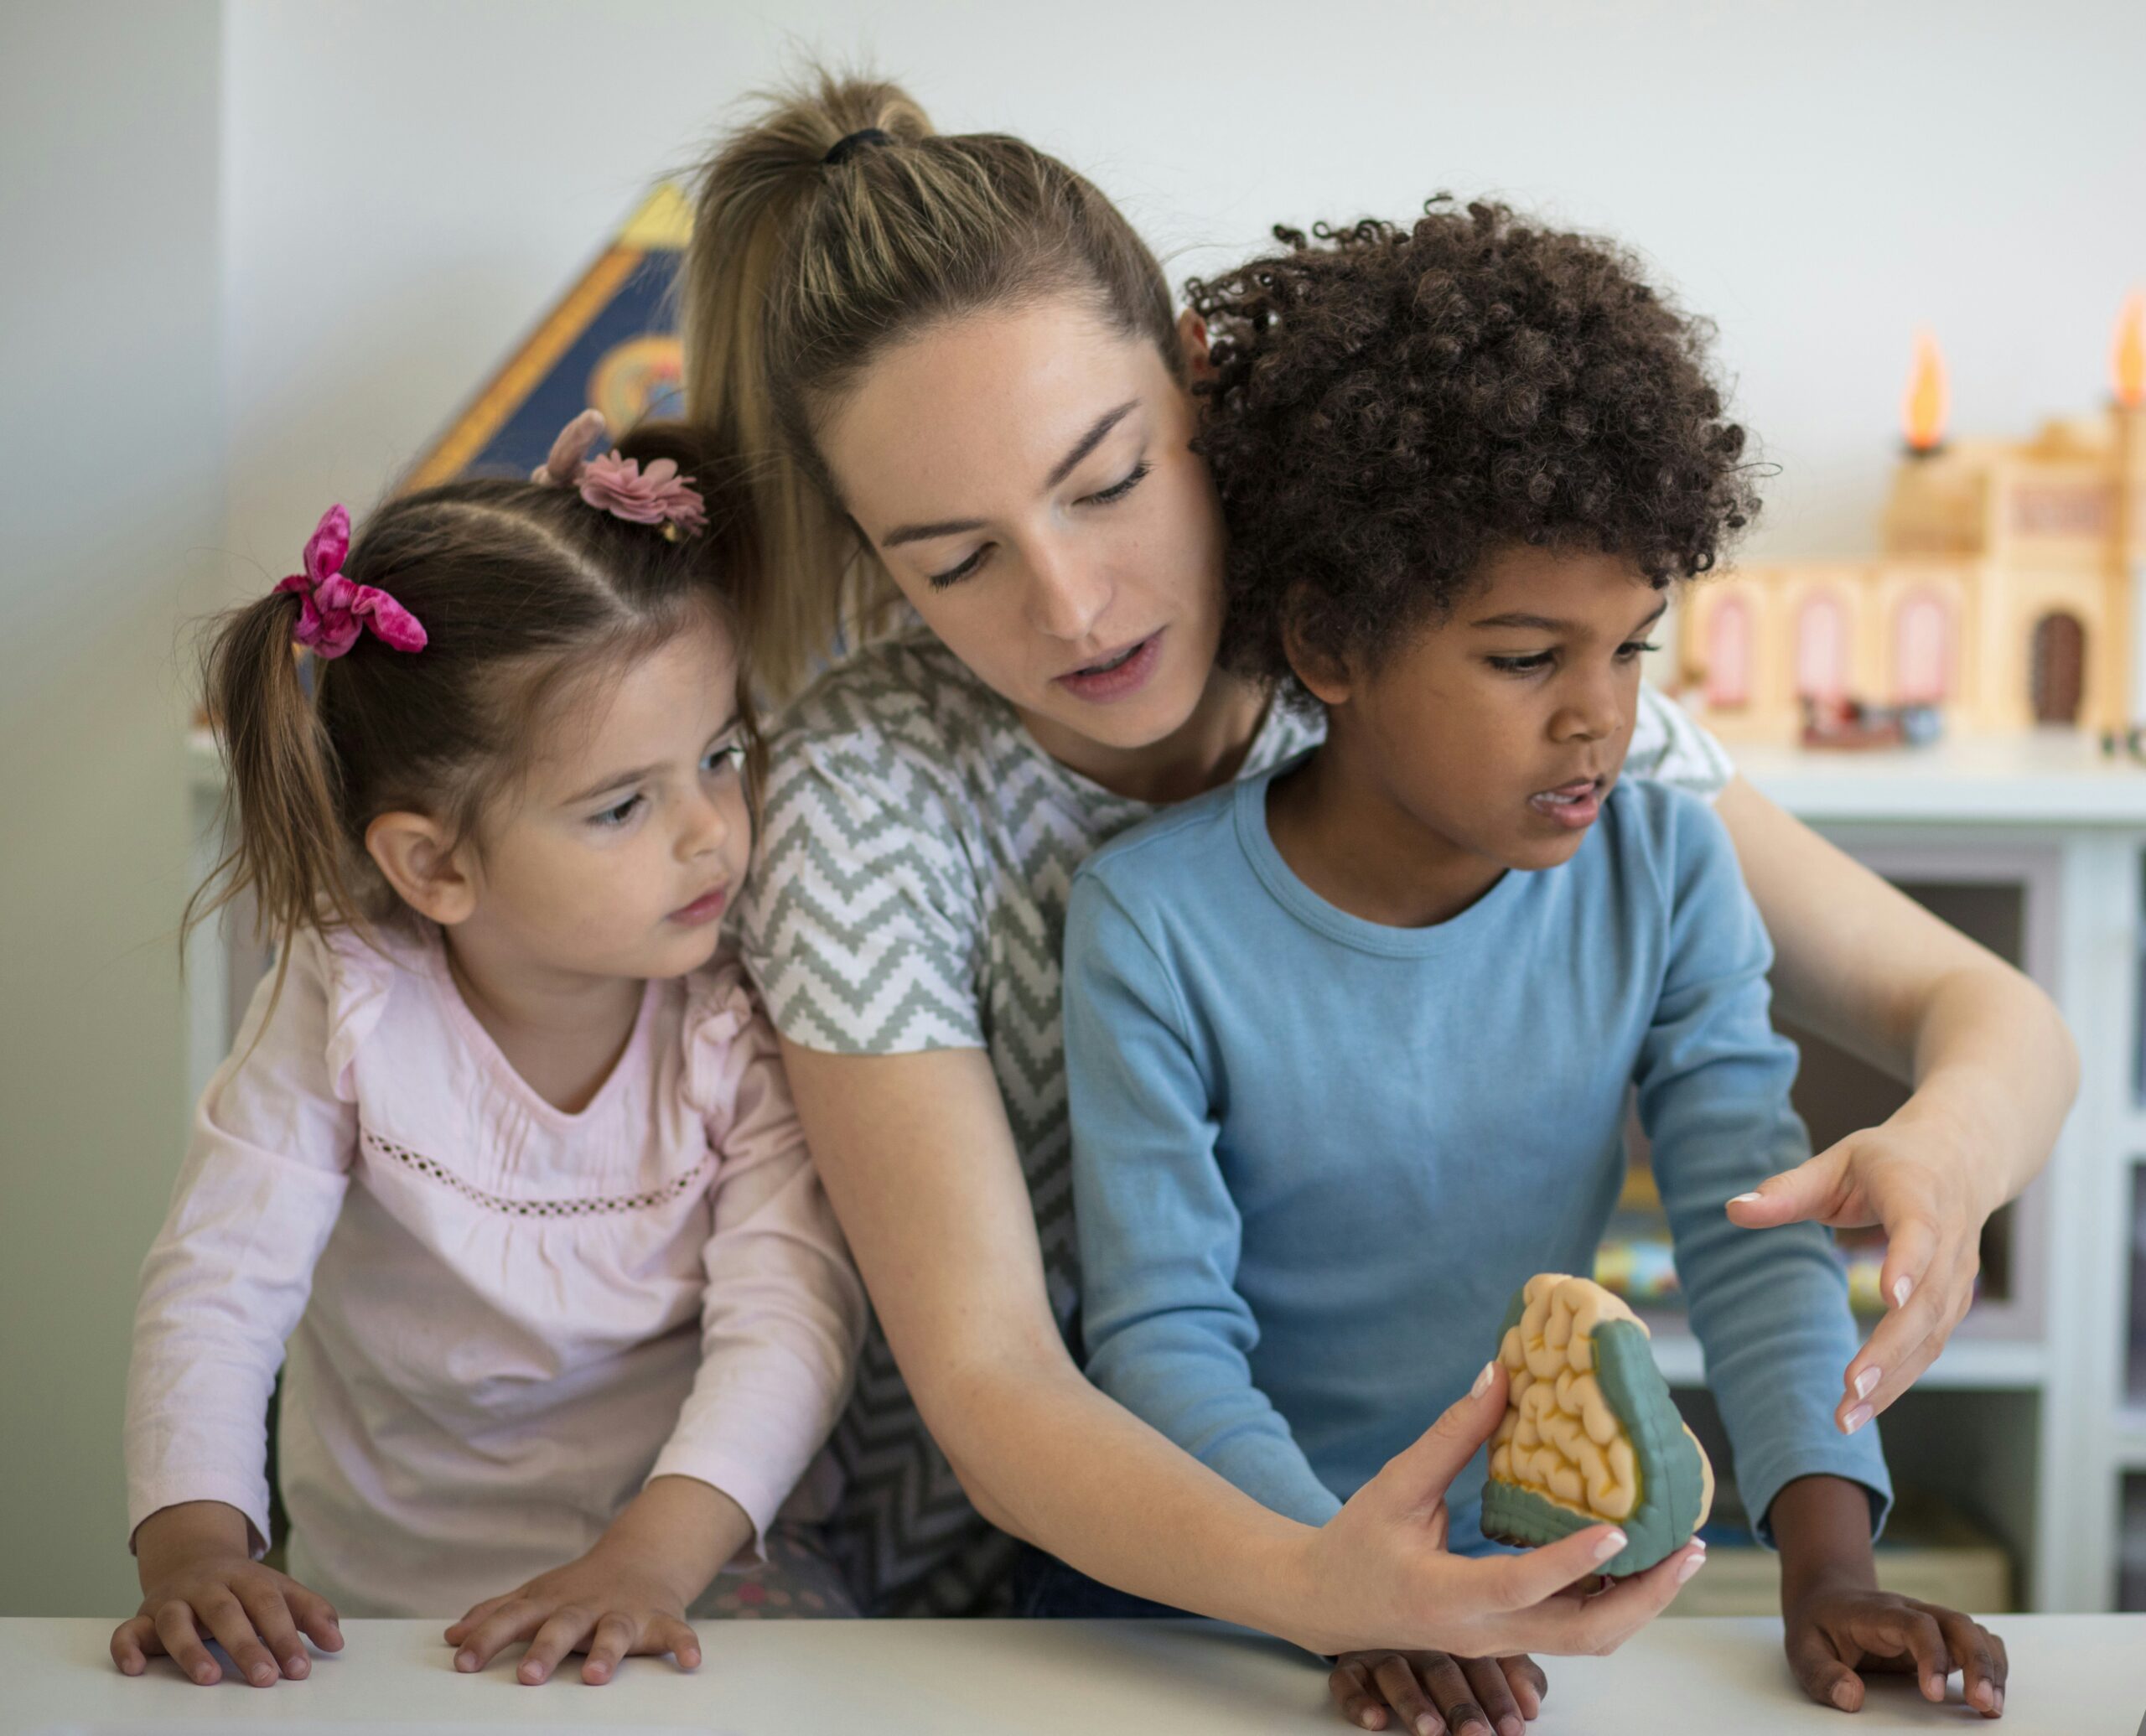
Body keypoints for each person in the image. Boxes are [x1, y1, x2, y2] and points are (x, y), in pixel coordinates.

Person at [687, 66, 2072, 1675]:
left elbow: (1981, 1016)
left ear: (1194, 390)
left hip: (1444, 1594)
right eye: (960, 558)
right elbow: (1002, 1380)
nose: (1072, 606)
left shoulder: (1484, 666)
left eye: (1109, 479)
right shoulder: (873, 804)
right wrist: (1331, 1588)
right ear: (873, 557)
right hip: (1017, 1611)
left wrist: (1949, 1160)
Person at [1065, 203, 2008, 1729]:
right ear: (1329, 640)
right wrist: (1338, 1586)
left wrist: (1828, 1568)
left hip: (1511, 1601)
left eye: (1633, 648)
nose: (1602, 721)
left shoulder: (1667, 869)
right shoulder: (1152, 925)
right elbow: (1163, 1337)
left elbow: (1755, 1232)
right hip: (1209, 1608)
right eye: (1525, 660)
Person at [114, 417, 865, 1692]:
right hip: (375, 1612)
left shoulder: (736, 1013)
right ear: (436, 865)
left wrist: (643, 1565)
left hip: (688, 1570)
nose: (712, 837)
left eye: (722, 757)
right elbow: (218, 1283)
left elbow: (791, 1322)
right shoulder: (349, 994)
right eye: (625, 804)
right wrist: (194, 1547)